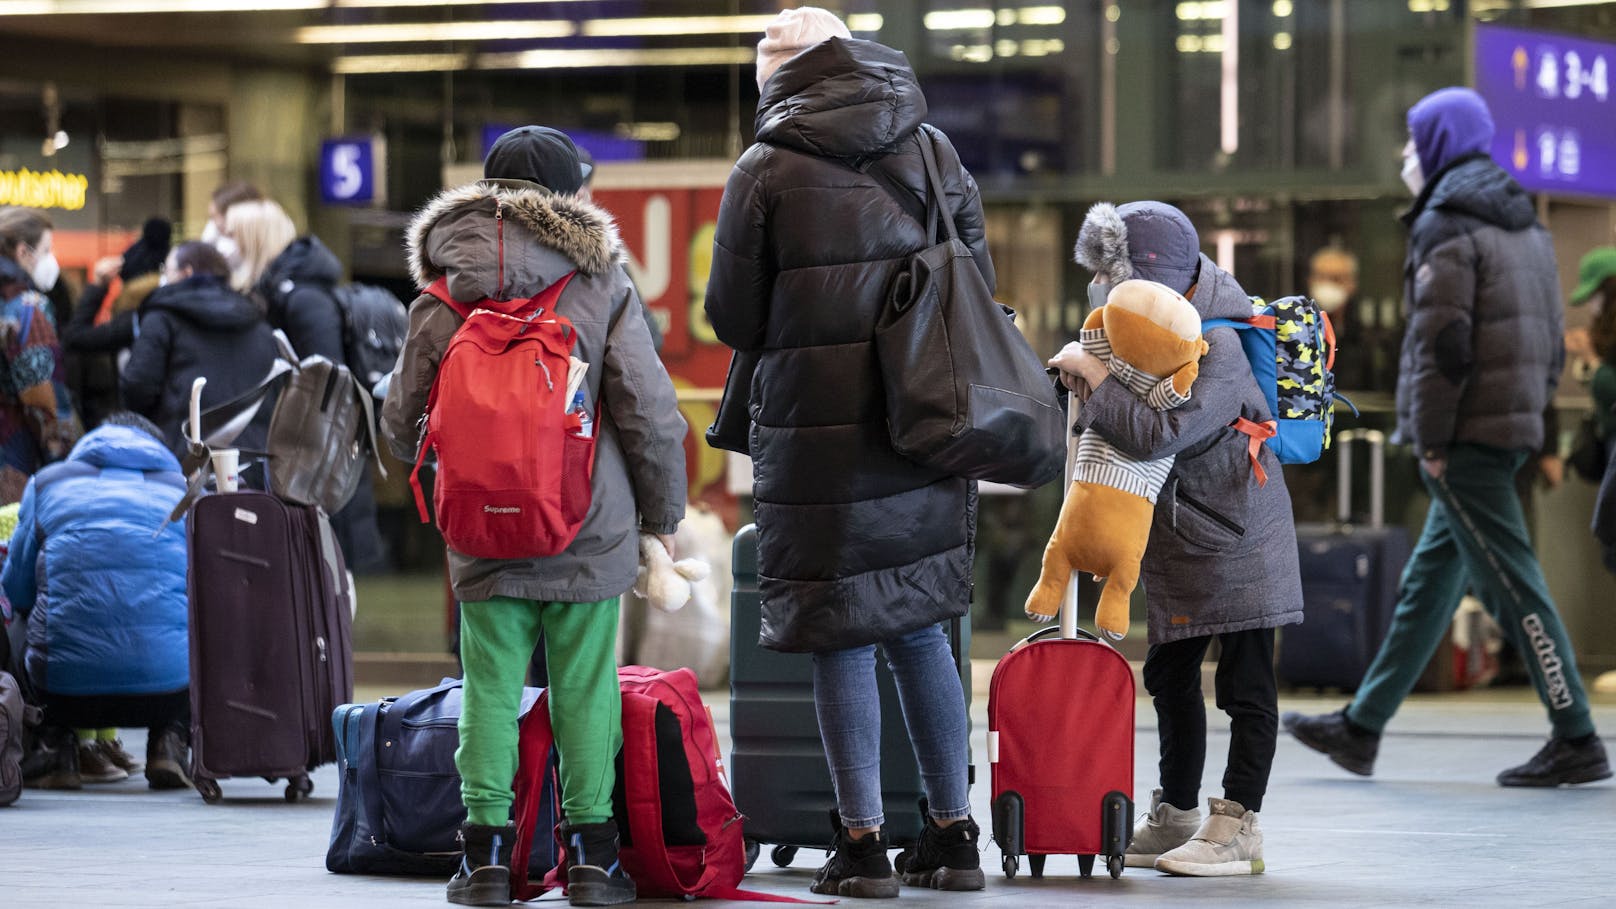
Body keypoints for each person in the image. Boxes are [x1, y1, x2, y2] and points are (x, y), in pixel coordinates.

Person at [705, 9, 988, 897]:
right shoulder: (935, 149)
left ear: (784, 76)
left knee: (842, 635)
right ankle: (954, 834)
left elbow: (733, 317)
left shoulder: (765, 169)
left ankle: (863, 846)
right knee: (916, 626)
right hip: (924, 422)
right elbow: (971, 282)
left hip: (819, 435)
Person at [383, 124, 686, 907]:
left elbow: (397, 421)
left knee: (487, 685)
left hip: (481, 526)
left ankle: (482, 858)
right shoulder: (602, 284)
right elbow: (650, 413)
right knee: (585, 686)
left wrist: (464, 467)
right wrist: (663, 516)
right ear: (566, 198)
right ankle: (589, 857)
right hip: (588, 520)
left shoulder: (444, 290)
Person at [1283, 87, 1610, 788]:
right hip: (1509, 420)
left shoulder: (1447, 220)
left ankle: (1576, 732)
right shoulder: (1520, 218)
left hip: (1465, 434)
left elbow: (1444, 342)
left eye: (1412, 138)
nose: (1406, 153)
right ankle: (1362, 725)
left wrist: (1430, 436)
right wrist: (1531, 417)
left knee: (1515, 584)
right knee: (1430, 582)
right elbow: (1548, 340)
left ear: (1439, 140)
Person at [1050, 201, 1301, 877]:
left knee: (1247, 681)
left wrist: (1094, 375)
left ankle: (1239, 823)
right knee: (1169, 672)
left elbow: (1163, 432)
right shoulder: (1142, 319)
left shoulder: (1216, 341)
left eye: (1117, 274)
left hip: (1242, 532)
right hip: (1183, 528)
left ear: (1153, 276)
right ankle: (1180, 813)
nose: (1105, 289)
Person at [1, 412, 192, 791]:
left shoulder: (48, 483)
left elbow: (16, 589)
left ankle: (57, 745)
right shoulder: (185, 492)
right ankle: (168, 741)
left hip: (62, 695)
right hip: (168, 691)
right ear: (156, 449)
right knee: (187, 620)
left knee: (22, 616)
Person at [226, 199, 386, 571]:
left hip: (317, 468)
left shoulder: (303, 298)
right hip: (301, 462)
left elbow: (328, 389)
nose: (225, 244)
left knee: (328, 589)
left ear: (252, 239)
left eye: (232, 234)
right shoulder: (279, 295)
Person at [120, 241, 277, 456]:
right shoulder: (257, 319)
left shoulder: (162, 317)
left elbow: (137, 385)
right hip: (254, 456)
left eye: (167, 269)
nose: (163, 277)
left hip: (186, 457)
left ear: (186, 272)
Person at [0, 208, 80, 504]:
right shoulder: (27, 308)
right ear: (23, 251)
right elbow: (45, 401)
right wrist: (71, 466)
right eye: (46, 249)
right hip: (13, 462)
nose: (51, 258)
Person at [63, 217, 172, 430]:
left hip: (136, 429)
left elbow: (75, 336)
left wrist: (98, 285)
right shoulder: (174, 315)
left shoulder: (134, 320)